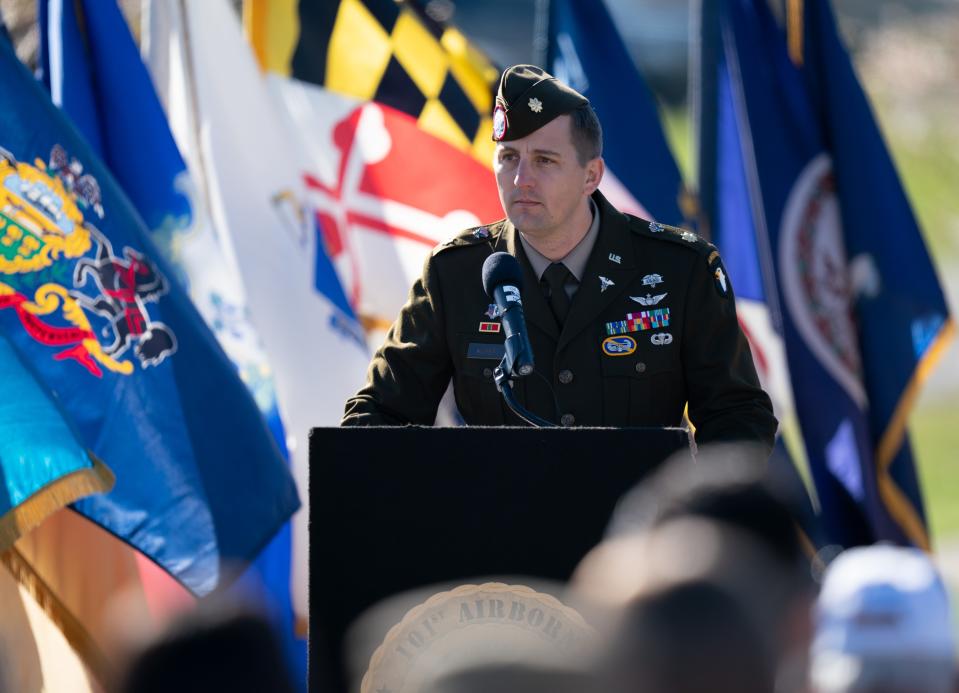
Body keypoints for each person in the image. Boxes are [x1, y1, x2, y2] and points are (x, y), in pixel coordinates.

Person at [342, 64, 776, 452]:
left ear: (592, 175)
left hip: (637, 535)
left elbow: (737, 417)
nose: (520, 179)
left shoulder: (679, 271)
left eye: (544, 161)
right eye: (508, 157)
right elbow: (377, 416)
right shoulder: (455, 273)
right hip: (499, 532)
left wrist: (688, 521)